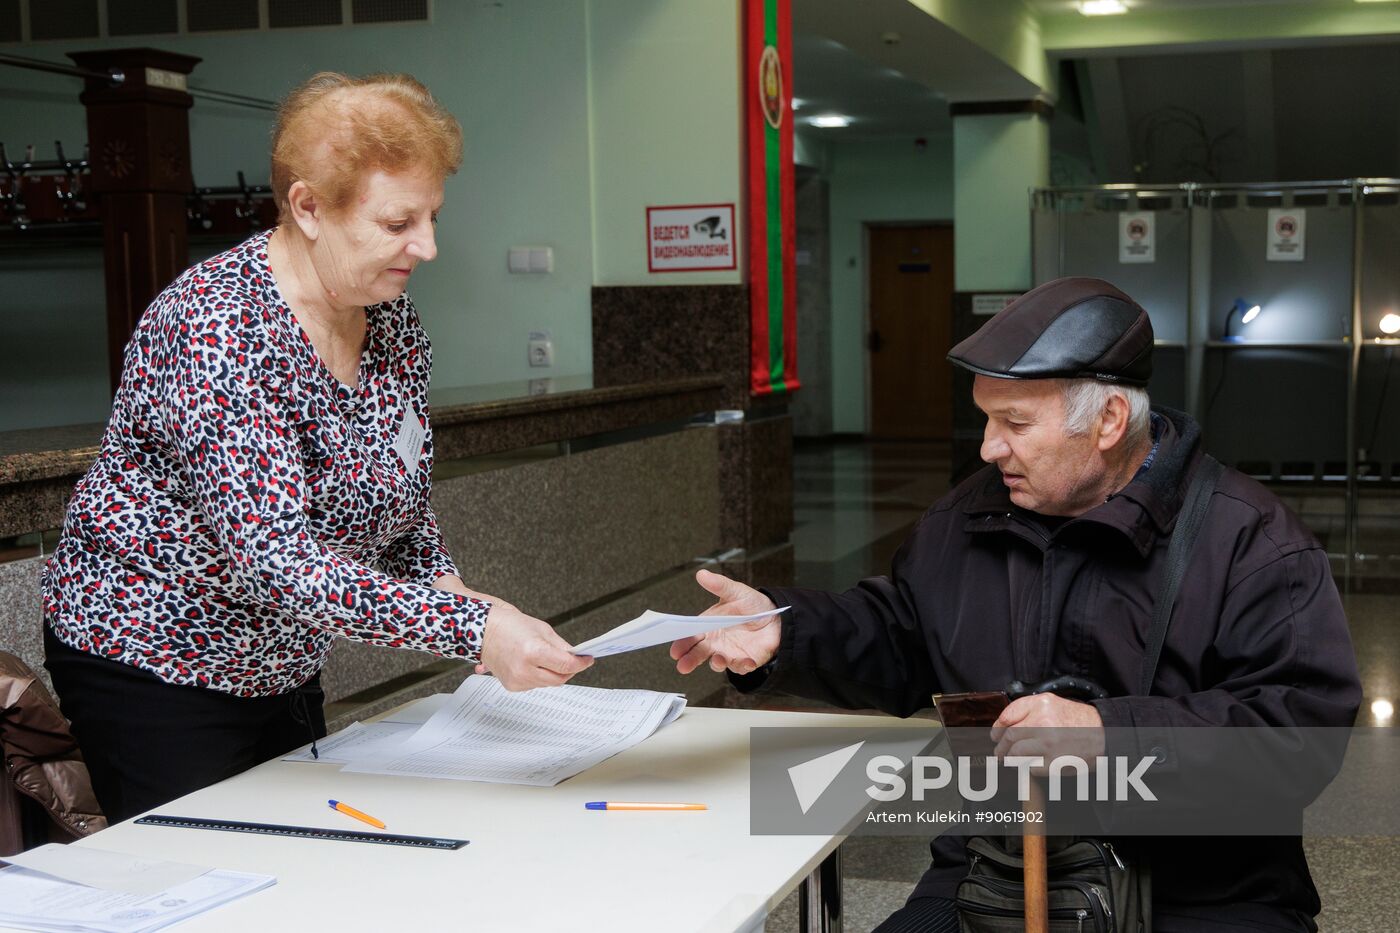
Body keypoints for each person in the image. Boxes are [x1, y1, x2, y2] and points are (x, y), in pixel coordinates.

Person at [671, 277, 1361, 932]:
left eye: (1014, 422)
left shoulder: (1250, 539)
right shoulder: (968, 516)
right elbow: (902, 631)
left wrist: (1107, 735)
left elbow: (1299, 735)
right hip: (993, 871)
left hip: (1203, 890)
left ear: (1110, 419)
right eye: (985, 418)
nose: (987, 446)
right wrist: (784, 635)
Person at [41, 72, 591, 823]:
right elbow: (275, 559)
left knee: (304, 854)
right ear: (306, 207)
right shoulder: (218, 328)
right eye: (399, 222)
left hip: (282, 655)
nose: (426, 246)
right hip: (156, 655)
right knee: (212, 873)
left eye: (431, 216)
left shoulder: (390, 323)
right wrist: (472, 630)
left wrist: (465, 597)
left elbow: (400, 506)